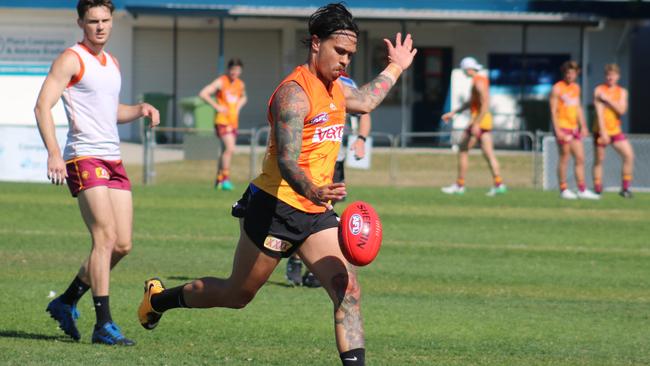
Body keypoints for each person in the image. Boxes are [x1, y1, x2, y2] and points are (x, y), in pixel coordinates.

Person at [138, 3, 416, 365]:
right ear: (316, 44)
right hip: (274, 207)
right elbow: (287, 160)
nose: (346, 61)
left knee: (348, 290)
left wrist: (396, 66)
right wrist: (314, 189)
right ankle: (158, 299)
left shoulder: (337, 88)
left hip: (315, 212)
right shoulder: (295, 94)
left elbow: (364, 101)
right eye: (340, 52)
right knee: (238, 294)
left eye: (351, 54)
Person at [35, 0, 159, 346]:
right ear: (81, 23)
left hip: (113, 160)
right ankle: (103, 324)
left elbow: (109, 110)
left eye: (105, 20)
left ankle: (66, 300)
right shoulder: (71, 59)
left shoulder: (112, 63)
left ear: (112, 22)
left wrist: (139, 109)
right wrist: (54, 153)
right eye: (93, 21)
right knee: (103, 238)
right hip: (83, 157)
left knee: (122, 244)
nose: (100, 27)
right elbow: (42, 104)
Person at [286, 73, 372, 288]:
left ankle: (315, 266)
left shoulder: (347, 84)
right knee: (304, 210)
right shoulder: (308, 83)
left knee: (326, 211)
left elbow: (365, 112)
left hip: (335, 160)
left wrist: (361, 139)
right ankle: (296, 259)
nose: (342, 60)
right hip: (310, 162)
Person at [441, 57, 507, 196]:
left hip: (479, 121)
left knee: (463, 149)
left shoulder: (478, 82)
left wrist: (476, 124)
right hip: (485, 121)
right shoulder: (480, 80)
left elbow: (485, 104)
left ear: (468, 69)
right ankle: (499, 184)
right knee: (488, 154)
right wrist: (453, 113)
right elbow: (471, 102)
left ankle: (460, 185)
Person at [549, 61, 600, 200]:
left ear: (576, 73)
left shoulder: (576, 88)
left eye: (572, 72)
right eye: (567, 72)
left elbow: (578, 108)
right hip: (562, 127)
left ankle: (582, 190)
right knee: (564, 157)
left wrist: (583, 125)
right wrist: (557, 130)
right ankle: (563, 189)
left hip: (574, 128)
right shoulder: (557, 88)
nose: (569, 75)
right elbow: (553, 111)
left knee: (580, 158)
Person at [199, 58, 248, 191]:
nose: (234, 72)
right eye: (232, 70)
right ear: (228, 70)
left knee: (227, 151)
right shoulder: (221, 81)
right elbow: (203, 93)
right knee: (230, 148)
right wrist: (217, 106)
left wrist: (238, 107)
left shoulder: (240, 84)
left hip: (233, 122)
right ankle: (225, 179)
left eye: (237, 70)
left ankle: (219, 180)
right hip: (222, 120)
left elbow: (244, 97)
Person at [592, 63, 634, 198]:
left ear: (618, 76)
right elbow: (599, 112)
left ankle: (625, 189)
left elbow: (622, 110)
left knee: (629, 155)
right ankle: (598, 189)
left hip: (615, 130)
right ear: (605, 76)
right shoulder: (599, 90)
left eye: (613, 75)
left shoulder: (622, 92)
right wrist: (603, 132)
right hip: (601, 130)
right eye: (608, 75)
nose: (611, 77)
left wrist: (608, 99)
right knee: (599, 159)